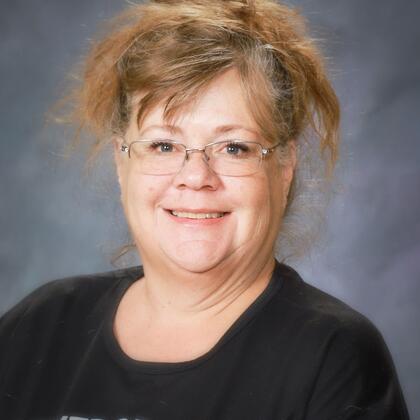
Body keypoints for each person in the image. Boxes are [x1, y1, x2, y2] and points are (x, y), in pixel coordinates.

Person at [0, 0, 410, 419]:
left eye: (234, 148)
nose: (196, 176)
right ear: (121, 162)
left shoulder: (333, 357)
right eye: (163, 145)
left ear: (284, 166)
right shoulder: (40, 327)